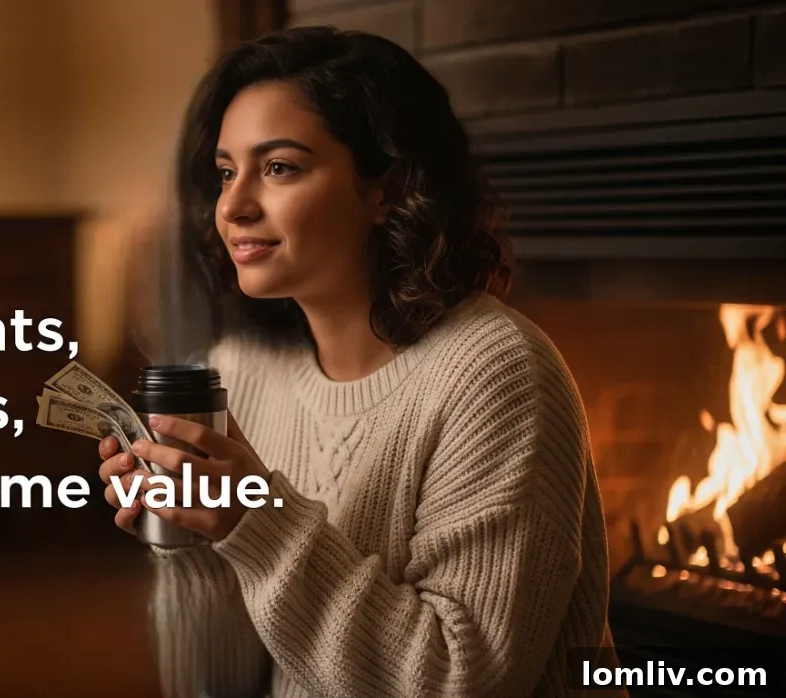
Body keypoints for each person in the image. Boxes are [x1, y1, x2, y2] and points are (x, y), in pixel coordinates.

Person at [96, 26, 621, 698]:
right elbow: (219, 681)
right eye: (227, 172)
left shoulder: (495, 373)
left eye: (279, 167)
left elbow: (459, 682)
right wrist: (193, 543)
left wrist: (254, 521)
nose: (233, 205)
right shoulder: (240, 369)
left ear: (387, 188)